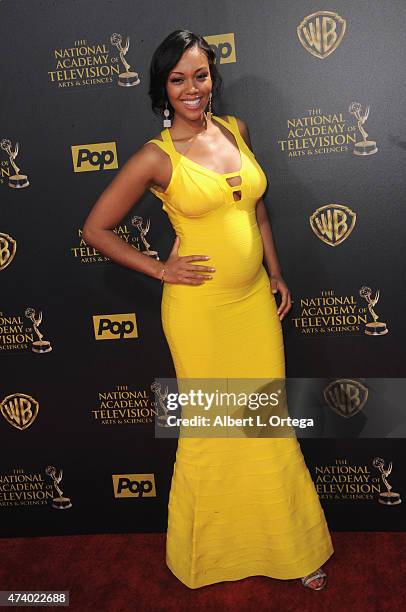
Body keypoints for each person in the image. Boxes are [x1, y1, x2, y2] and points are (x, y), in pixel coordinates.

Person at [82, 29, 334, 591]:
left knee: (266, 426)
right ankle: (210, 555)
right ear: (163, 89)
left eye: (201, 75)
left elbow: (257, 209)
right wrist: (160, 268)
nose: (192, 88)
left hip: (252, 304)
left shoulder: (236, 130)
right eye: (178, 79)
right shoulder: (156, 157)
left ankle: (293, 550)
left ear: (212, 78)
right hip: (200, 312)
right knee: (211, 429)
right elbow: (96, 229)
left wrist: (274, 271)